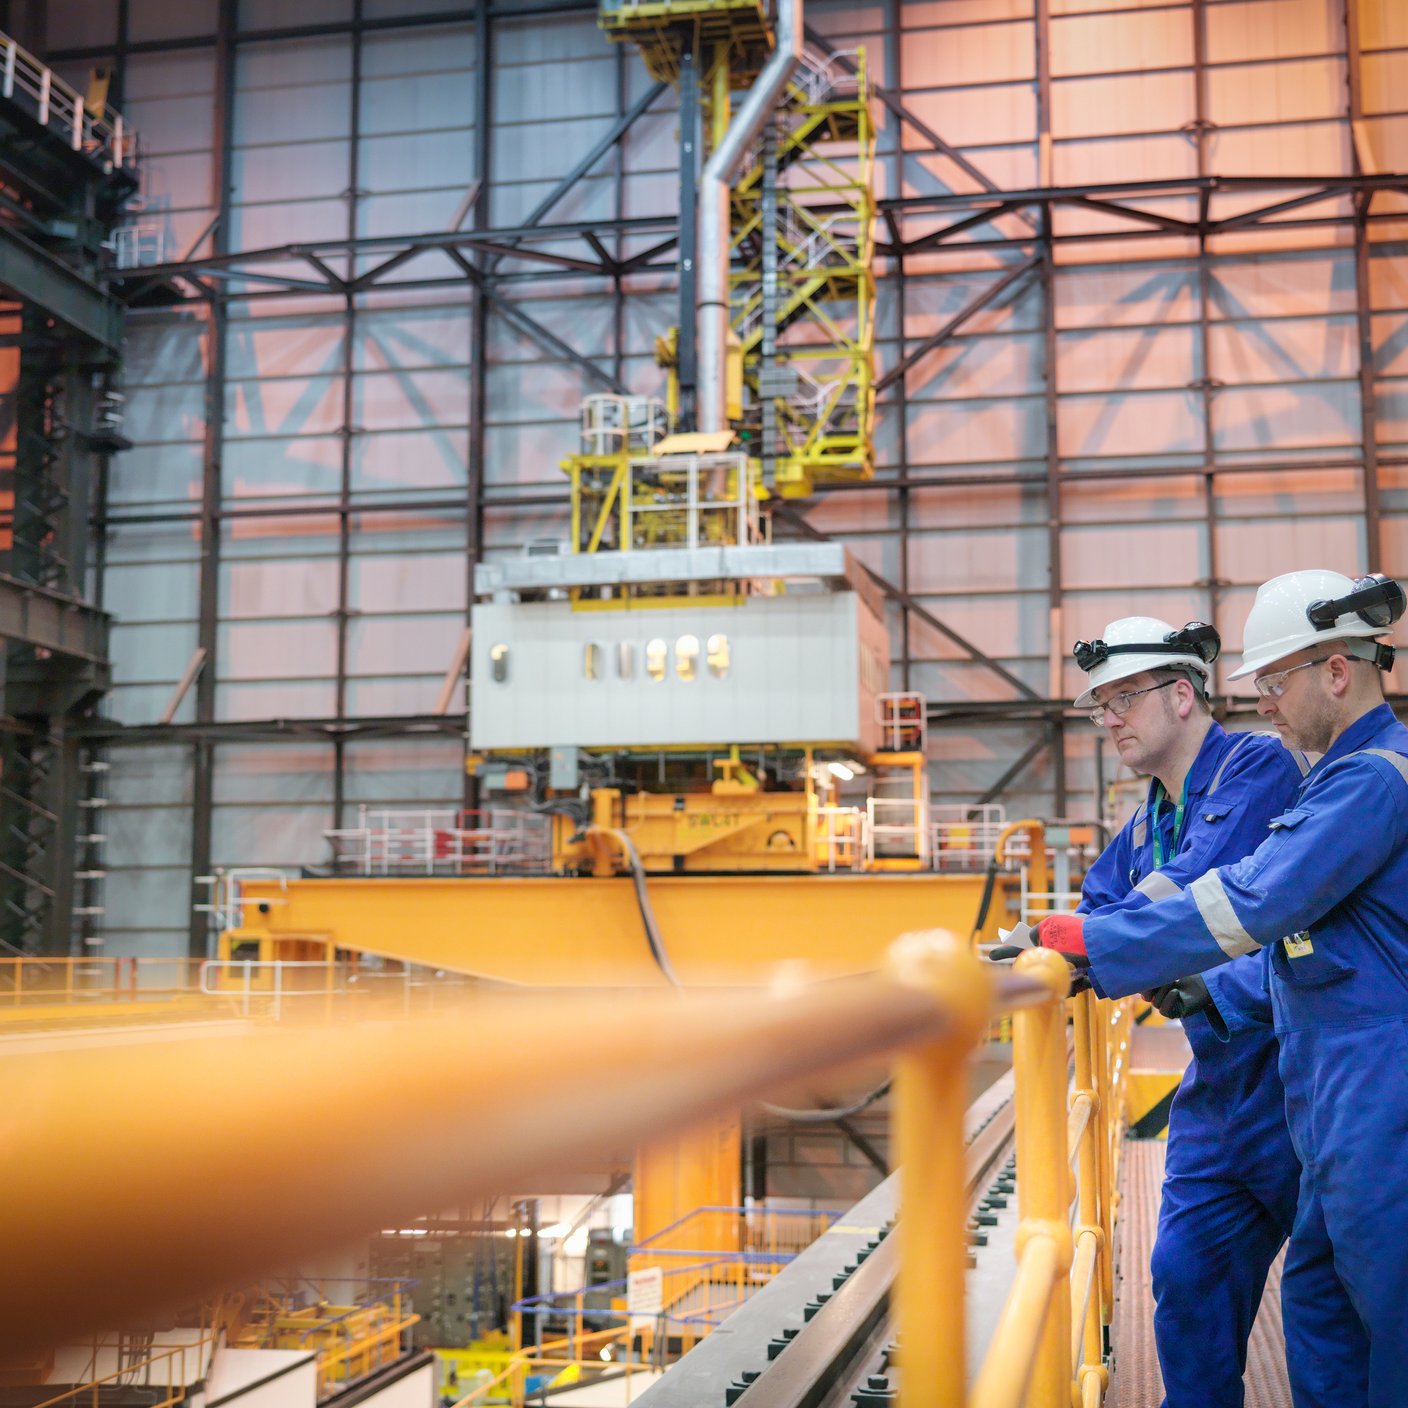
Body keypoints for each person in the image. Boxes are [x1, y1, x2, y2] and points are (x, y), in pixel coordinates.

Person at [1030, 571, 1408, 1408]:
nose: (1264, 703)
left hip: (1366, 1083)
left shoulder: (1357, 780)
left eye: (1273, 682)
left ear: (1336, 672)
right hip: (1317, 1083)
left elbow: (1251, 900)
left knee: (1384, 1317)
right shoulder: (1319, 783)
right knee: (1311, 1301)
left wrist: (1102, 942)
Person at [1066, 615, 1308, 1408]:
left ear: (1181, 694)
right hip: (1220, 1081)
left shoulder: (1255, 767)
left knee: (1331, 1300)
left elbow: (1199, 895)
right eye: (1100, 704)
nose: (1109, 719)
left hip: (1296, 1075)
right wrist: (1097, 941)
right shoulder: (1149, 818)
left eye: (1124, 698)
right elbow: (1100, 903)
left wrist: (1108, 945)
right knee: (1185, 1272)